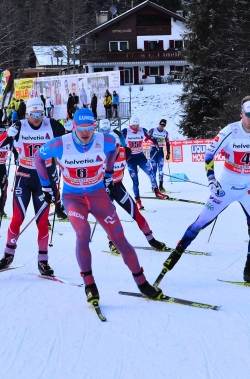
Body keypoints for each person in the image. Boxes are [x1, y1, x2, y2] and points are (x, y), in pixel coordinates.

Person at [155, 96, 250, 287]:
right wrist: (211, 179)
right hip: (227, 186)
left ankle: (249, 270)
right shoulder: (230, 130)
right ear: (241, 114)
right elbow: (209, 155)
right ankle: (171, 260)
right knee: (199, 224)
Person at [35, 108, 163, 304]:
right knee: (83, 233)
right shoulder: (62, 143)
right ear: (74, 126)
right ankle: (89, 284)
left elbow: (116, 149)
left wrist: (109, 174)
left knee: (118, 237)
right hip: (73, 198)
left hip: (98, 195)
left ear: (94, 126)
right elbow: (38, 157)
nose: (85, 133)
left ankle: (142, 282)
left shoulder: (106, 140)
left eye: (89, 128)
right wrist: (46, 187)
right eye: (81, 128)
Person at [0, 96, 66, 276]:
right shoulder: (19, 125)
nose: (37, 118)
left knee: (42, 222)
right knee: (17, 218)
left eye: (40, 113)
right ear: (26, 114)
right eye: (33, 114)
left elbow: (68, 146)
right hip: (24, 176)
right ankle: (8, 255)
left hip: (45, 179)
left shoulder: (53, 125)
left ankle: (43, 261)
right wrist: (7, 134)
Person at [98, 119, 166, 252]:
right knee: (111, 215)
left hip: (117, 187)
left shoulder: (125, 152)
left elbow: (126, 147)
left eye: (116, 146)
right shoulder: (98, 154)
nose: (113, 150)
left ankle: (151, 239)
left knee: (135, 212)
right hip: (103, 189)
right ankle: (112, 242)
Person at [122, 116, 169, 208]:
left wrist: (155, 144)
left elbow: (152, 138)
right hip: (131, 160)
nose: (135, 127)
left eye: (137, 125)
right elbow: (117, 139)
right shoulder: (125, 131)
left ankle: (157, 192)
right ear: (130, 125)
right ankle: (138, 201)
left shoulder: (142, 130)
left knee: (151, 173)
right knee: (135, 181)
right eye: (133, 125)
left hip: (141, 157)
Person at [149, 119, 171, 192]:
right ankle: (154, 186)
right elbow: (148, 137)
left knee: (161, 169)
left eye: (163, 126)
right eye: (161, 125)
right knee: (154, 169)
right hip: (153, 151)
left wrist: (168, 153)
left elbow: (167, 143)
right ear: (159, 124)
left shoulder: (165, 133)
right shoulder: (153, 130)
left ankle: (161, 186)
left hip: (160, 151)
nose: (162, 127)